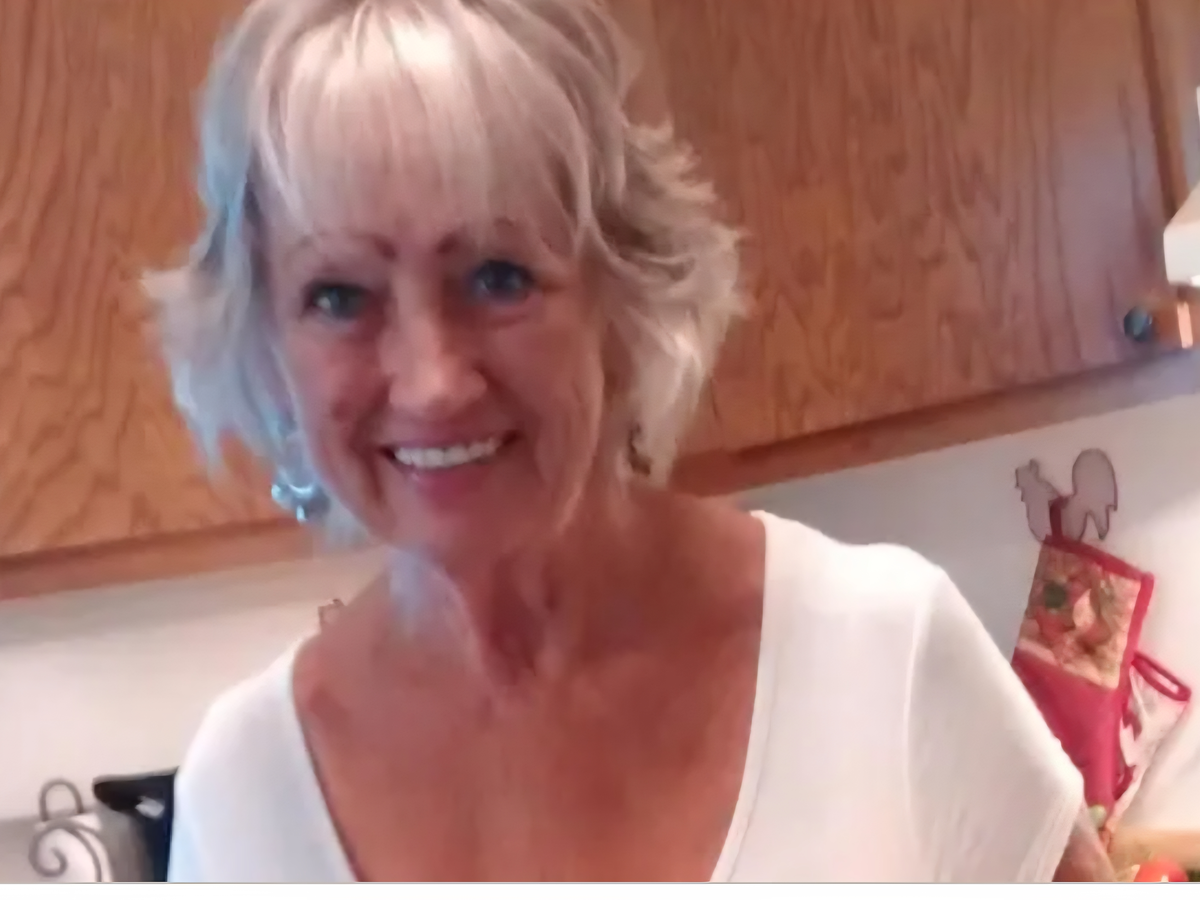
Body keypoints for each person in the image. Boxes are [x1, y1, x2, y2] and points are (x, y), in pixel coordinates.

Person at [149, 0, 1112, 883]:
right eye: (339, 296)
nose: (433, 380)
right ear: (265, 341)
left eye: (496, 276)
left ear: (623, 293)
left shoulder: (882, 661)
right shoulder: (243, 796)